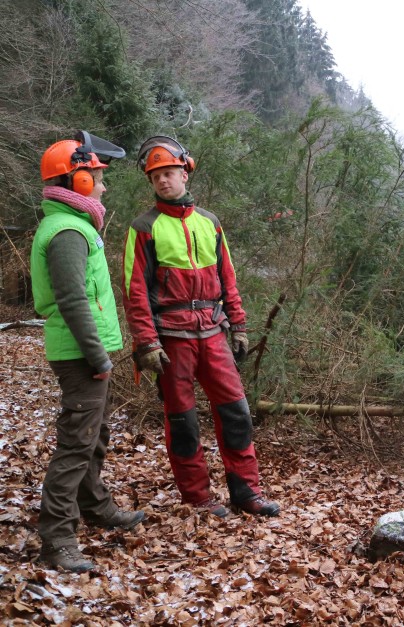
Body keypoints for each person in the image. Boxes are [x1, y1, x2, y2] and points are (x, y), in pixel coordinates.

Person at [122, 136, 279, 519]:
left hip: (212, 331)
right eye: (156, 175)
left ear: (185, 174)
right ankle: (198, 498)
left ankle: (246, 492)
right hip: (172, 337)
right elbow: (135, 290)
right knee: (183, 421)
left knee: (236, 412)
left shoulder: (209, 222)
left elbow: (228, 276)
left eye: (169, 173)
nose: (163, 180)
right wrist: (146, 343)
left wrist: (238, 325)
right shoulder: (144, 227)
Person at [30, 131, 146, 573]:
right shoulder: (66, 232)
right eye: (96, 176)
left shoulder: (75, 225)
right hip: (80, 354)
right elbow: (73, 300)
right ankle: (57, 538)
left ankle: (94, 503)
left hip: (88, 350)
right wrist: (97, 357)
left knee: (94, 435)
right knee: (76, 444)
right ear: (75, 180)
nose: (103, 185)